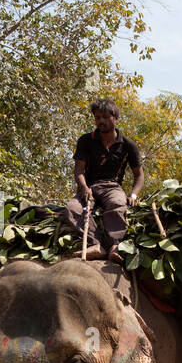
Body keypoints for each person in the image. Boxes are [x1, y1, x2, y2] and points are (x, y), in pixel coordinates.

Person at [58, 99, 144, 261]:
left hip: (112, 186)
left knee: (118, 204)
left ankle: (115, 245)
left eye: (105, 117)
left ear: (115, 118)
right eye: (97, 118)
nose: (101, 121)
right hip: (88, 186)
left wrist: (133, 195)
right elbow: (79, 170)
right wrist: (84, 188)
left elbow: (139, 175)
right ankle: (95, 244)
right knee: (72, 209)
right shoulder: (86, 140)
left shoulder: (127, 145)